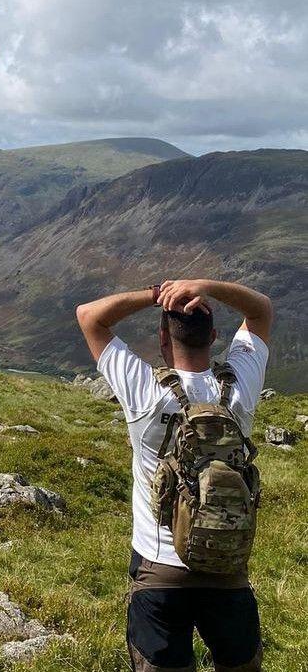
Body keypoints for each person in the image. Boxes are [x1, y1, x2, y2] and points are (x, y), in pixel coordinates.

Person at [76, 278, 273, 672]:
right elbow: (261, 309)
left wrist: (156, 293)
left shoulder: (145, 391)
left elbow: (89, 317)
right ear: (215, 336)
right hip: (226, 565)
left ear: (164, 338)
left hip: (159, 568)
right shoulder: (240, 386)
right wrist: (206, 287)